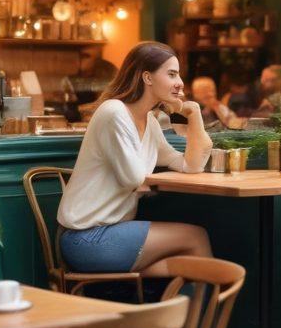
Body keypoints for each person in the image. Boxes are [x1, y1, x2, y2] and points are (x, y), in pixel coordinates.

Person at [57, 42, 213, 281]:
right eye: (172, 74)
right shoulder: (114, 112)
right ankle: (205, 307)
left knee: (188, 263)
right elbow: (133, 179)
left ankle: (185, 306)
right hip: (87, 238)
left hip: (112, 233)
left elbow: (190, 165)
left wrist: (194, 115)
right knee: (195, 238)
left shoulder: (150, 122)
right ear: (147, 77)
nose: (180, 82)